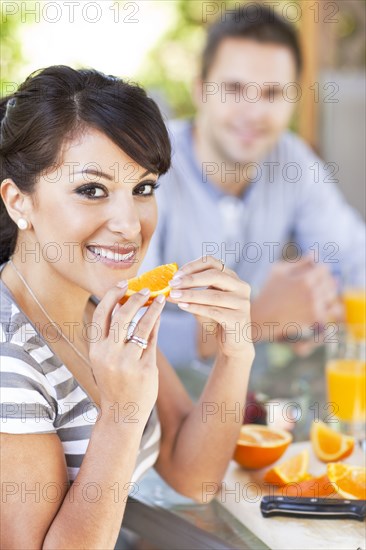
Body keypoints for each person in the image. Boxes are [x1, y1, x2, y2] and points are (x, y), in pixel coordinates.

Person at [0, 66, 254, 549]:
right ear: (19, 202)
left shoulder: (105, 308)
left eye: (143, 188)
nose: (128, 223)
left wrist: (235, 352)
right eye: (91, 190)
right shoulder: (10, 360)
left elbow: (191, 476)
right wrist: (120, 414)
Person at [142, 4, 366, 365]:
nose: (253, 112)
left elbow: (355, 263)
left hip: (255, 403)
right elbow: (124, 328)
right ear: (200, 90)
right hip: (157, 408)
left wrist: (317, 311)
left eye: (273, 93)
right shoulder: (148, 169)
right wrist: (257, 318)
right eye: (234, 88)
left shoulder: (292, 161)